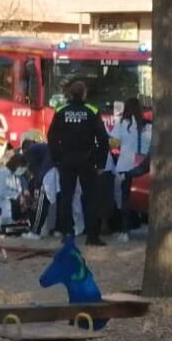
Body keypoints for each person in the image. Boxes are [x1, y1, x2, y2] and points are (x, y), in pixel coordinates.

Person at [47, 81, 109, 245]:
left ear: (70, 94)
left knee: (66, 197)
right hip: (87, 160)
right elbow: (102, 138)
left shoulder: (61, 110)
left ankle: (67, 233)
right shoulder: (92, 111)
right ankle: (92, 236)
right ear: (84, 93)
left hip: (66, 160)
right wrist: (100, 162)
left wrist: (57, 158)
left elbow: (51, 136)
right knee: (90, 198)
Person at [111, 96, 151, 242]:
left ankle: (124, 231)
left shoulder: (122, 124)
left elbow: (114, 143)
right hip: (143, 166)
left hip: (125, 165)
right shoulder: (147, 125)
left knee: (125, 199)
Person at [0, 153, 26, 236]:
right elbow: (0, 191)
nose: (23, 170)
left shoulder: (15, 176)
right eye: (22, 167)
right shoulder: (2, 174)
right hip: (1, 207)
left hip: (11, 211)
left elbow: (18, 190)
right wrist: (16, 196)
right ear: (17, 165)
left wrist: (21, 197)